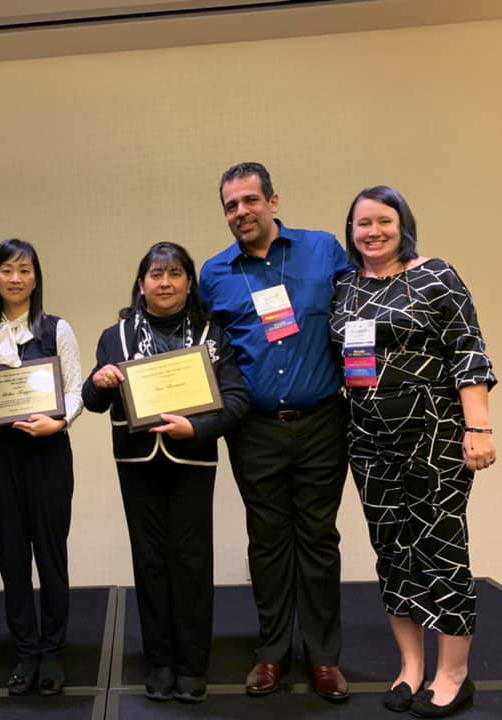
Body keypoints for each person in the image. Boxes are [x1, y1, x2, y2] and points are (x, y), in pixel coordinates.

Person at [330, 186, 496, 718]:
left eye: (384, 220)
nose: (373, 232)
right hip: (368, 442)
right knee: (392, 551)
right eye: (362, 223)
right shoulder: (346, 288)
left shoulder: (436, 276)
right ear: (350, 231)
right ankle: (411, 666)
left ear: (403, 224)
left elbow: (468, 351)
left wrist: (479, 427)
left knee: (441, 548)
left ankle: (454, 674)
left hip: (435, 437)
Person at [199, 162, 352, 702]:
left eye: (250, 201)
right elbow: (206, 351)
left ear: (273, 201)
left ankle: (324, 658)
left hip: (322, 423)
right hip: (255, 430)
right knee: (266, 543)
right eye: (230, 206)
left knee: (318, 539)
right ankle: (272, 653)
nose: (241, 212)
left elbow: (361, 308)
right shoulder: (215, 273)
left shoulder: (324, 250)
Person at [83, 242, 249, 704]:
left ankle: (193, 664)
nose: (165, 282)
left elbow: (237, 399)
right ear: (141, 284)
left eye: (175, 274)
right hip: (136, 464)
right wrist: (98, 382)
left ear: (189, 283)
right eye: (156, 274)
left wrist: (197, 428)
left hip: (191, 461)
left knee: (192, 561)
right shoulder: (115, 336)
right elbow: (93, 401)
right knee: (150, 560)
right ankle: (159, 661)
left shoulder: (212, 335)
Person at [0, 239, 82, 696]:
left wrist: (59, 421)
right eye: (7, 270)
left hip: (47, 454)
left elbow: (74, 390)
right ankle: (26, 651)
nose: (15, 278)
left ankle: (52, 651)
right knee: (12, 560)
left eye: (25, 270)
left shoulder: (57, 329)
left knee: (51, 557)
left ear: (36, 278)